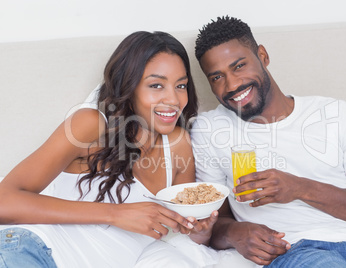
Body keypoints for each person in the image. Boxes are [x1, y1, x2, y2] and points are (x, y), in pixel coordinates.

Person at [190, 16, 346, 267]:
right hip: (297, 251)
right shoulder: (210, 129)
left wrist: (299, 188)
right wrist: (234, 233)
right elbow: (212, 219)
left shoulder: (335, 113)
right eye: (216, 77)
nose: (232, 84)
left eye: (238, 66)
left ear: (263, 56)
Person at [0, 31, 219, 267]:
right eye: (156, 85)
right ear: (129, 86)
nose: (174, 100)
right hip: (33, 252)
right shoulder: (90, 125)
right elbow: (5, 201)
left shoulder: (178, 144)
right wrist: (115, 214)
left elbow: (183, 233)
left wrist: (201, 231)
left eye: (181, 85)